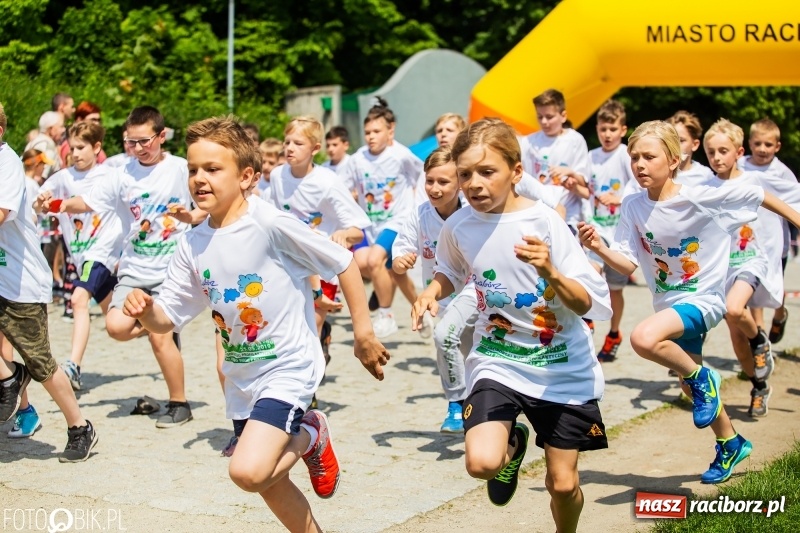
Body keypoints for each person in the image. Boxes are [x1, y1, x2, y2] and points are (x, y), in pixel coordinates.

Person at [122, 116, 389, 532]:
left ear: (246, 176)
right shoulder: (191, 243)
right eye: (193, 169)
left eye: (212, 169)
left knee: (247, 471)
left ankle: (312, 432)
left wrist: (364, 334)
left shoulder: (269, 223)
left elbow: (344, 263)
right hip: (242, 376)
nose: (199, 179)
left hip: (288, 367)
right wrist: (144, 309)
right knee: (268, 479)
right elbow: (166, 319)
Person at [412, 118, 611, 533]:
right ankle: (511, 446)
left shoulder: (546, 223)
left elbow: (587, 302)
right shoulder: (458, 225)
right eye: (466, 174)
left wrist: (551, 271)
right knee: (482, 463)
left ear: (516, 172)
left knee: (562, 484)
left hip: (561, 365)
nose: (474, 184)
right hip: (497, 358)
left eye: (487, 172)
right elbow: (450, 268)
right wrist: (432, 291)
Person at [579, 120, 800, 483]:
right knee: (688, 385)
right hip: (668, 306)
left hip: (704, 300)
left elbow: (759, 196)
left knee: (644, 338)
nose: (639, 164)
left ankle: (704, 380)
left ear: (674, 158)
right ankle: (731, 442)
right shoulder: (633, 205)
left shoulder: (699, 194)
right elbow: (629, 262)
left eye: (648, 157)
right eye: (634, 157)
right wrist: (598, 247)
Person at [56, 106, 203, 428]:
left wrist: (190, 217)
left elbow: (208, 205)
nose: (137, 149)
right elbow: (90, 201)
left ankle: (180, 403)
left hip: (171, 270)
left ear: (162, 137)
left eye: (144, 141)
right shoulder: (121, 173)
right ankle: (160, 326)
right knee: (116, 327)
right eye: (130, 142)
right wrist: (63, 205)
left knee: (160, 337)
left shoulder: (182, 169)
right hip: (134, 269)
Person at [0, 101, 97, 461]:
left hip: (19, 281)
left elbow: (2, 213)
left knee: (40, 363)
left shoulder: (6, 163)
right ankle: (10, 380)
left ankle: (79, 426)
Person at [269, 116, 371, 398]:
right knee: (288, 328)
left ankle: (305, 393)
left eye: (298, 143)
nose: (289, 147)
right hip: (288, 266)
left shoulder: (327, 182)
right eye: (287, 141)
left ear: (315, 149)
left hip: (321, 267)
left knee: (308, 326)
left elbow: (358, 230)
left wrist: (342, 235)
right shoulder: (277, 176)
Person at [705, 118, 800, 417]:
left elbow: (783, 201)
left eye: (723, 150)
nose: (717, 157)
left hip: (751, 258)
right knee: (736, 336)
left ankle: (760, 339)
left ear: (738, 152)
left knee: (735, 310)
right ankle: (759, 385)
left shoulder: (753, 181)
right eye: (711, 152)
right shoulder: (703, 187)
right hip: (721, 267)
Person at [35, 122, 124, 392]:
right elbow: (40, 204)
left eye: (81, 147)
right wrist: (42, 202)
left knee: (78, 299)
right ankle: (159, 329)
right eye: (72, 148)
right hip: (80, 254)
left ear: (97, 148)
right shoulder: (63, 178)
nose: (75, 153)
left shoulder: (111, 175)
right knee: (115, 321)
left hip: (101, 253)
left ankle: (73, 365)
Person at [393, 146, 477, 433]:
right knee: (462, 349)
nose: (435, 188)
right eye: (430, 181)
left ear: (460, 184)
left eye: (444, 182)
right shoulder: (420, 215)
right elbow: (401, 248)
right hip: (439, 297)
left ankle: (457, 403)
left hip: (476, 293)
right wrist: (401, 260)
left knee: (446, 338)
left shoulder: (473, 213)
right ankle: (470, 404)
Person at [339, 97, 425, 338]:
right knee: (393, 273)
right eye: (367, 132)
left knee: (375, 260)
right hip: (371, 224)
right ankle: (420, 309)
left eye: (377, 131)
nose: (371, 136)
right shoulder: (357, 159)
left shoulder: (401, 155)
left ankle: (385, 314)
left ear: (391, 131)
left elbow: (423, 176)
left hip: (398, 220)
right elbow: (343, 190)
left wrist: (420, 206)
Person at [739, 118, 797, 345]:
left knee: (775, 288)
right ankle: (760, 335)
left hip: (775, 243)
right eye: (758, 143)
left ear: (777, 146)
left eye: (768, 145)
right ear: (749, 143)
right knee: (753, 292)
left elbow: (795, 200)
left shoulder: (782, 172)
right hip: (748, 241)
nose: (762, 149)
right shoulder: (741, 166)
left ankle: (780, 314)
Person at [587, 100, 636, 362]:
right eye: (603, 129)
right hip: (596, 229)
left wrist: (619, 199)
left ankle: (614, 333)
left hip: (620, 233)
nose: (607, 134)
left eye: (612, 129)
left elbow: (639, 186)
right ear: (597, 129)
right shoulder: (591, 157)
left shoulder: (627, 156)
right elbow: (588, 190)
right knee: (589, 270)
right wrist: (574, 184)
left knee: (616, 290)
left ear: (623, 130)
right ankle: (587, 318)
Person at [518, 88, 592, 232]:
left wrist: (570, 173)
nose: (544, 122)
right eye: (540, 117)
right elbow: (521, 177)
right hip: (537, 215)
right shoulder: (528, 142)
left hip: (569, 216)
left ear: (563, 116)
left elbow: (585, 182)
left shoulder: (575, 140)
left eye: (549, 116)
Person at [414, 113, 466, 206]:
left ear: (462, 134)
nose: (443, 134)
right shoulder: (430, 165)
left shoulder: (468, 164)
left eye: (449, 130)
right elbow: (419, 201)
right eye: (439, 131)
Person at [59, 101, 107, 167]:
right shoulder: (69, 144)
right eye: (93, 120)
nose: (97, 123)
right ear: (79, 120)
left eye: (98, 120)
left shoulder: (95, 144)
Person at [25, 111, 64, 179]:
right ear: (51, 129)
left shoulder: (34, 141)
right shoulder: (47, 146)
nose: (63, 129)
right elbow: (39, 177)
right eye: (61, 126)